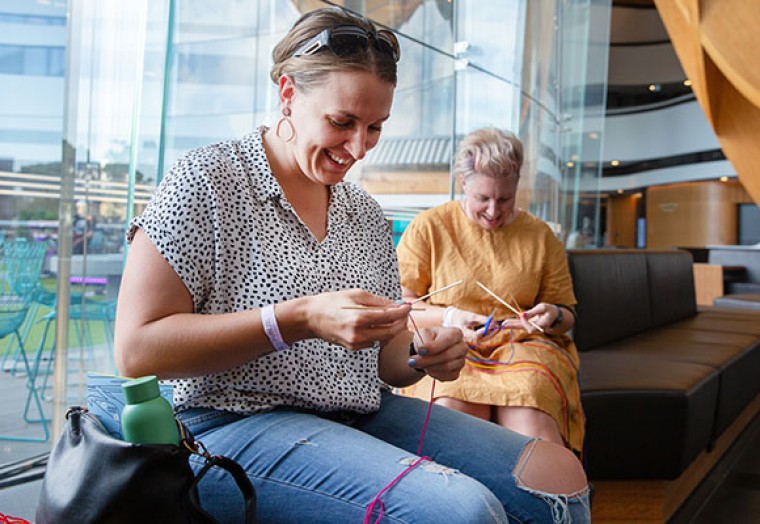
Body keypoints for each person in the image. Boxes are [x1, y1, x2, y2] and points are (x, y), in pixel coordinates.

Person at [114, 8, 590, 523]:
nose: (359, 148)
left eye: (375, 128)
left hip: (356, 413)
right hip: (229, 421)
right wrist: (295, 319)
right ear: (289, 93)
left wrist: (424, 355)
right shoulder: (209, 180)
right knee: (461, 512)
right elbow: (136, 349)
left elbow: (387, 359)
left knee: (557, 479)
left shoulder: (362, 212)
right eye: (342, 123)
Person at [396, 127, 585, 456]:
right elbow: (401, 307)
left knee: (531, 411)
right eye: (483, 198)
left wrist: (551, 314)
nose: (494, 211)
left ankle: (548, 501)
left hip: (522, 346)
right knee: (453, 412)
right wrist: (450, 316)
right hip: (447, 343)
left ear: (516, 187)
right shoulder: (428, 227)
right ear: (462, 184)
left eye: (505, 199)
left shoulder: (540, 236)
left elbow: (566, 313)